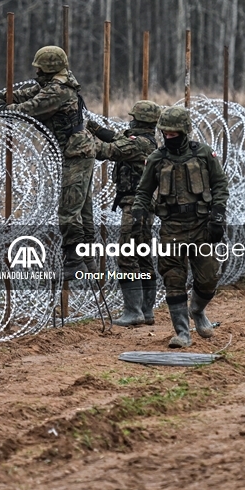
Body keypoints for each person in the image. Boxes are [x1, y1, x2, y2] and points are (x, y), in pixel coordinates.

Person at [0, 46, 94, 275]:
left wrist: (0, 107)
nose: (36, 72)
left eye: (39, 68)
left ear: (49, 68)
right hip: (73, 151)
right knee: (81, 208)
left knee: (69, 209)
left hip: (76, 153)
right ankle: (87, 259)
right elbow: (26, 95)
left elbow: (29, 109)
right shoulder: (53, 85)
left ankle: (74, 260)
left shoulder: (57, 90)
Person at [132, 106, 229, 348]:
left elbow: (220, 185)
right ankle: (182, 333)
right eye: (165, 133)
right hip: (171, 229)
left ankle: (197, 310)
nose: (169, 137)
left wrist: (218, 215)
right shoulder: (157, 158)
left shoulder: (204, 154)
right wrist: (138, 213)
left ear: (185, 131)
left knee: (208, 277)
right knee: (173, 279)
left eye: (174, 133)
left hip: (201, 226)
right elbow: (143, 192)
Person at [73, 100, 162, 325]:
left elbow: (109, 150)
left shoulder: (139, 144)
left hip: (135, 208)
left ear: (139, 121)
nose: (130, 121)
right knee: (142, 256)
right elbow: (117, 140)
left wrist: (80, 138)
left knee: (127, 257)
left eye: (133, 118)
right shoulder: (144, 141)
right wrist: (95, 128)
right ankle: (146, 311)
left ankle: (133, 312)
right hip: (143, 207)